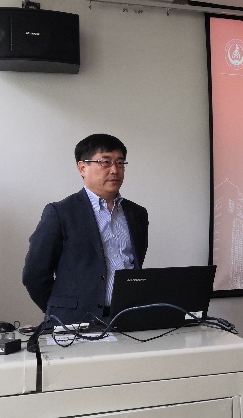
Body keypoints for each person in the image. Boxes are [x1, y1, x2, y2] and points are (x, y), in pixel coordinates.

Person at [23, 133, 149, 324]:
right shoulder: (60, 213)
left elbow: (135, 264)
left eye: (120, 162)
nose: (115, 170)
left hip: (126, 317)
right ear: (82, 167)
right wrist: (60, 309)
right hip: (75, 321)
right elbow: (34, 274)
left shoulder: (137, 214)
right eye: (105, 162)